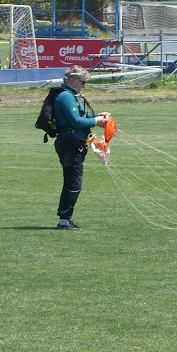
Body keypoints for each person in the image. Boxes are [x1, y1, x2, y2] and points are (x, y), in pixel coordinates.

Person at [53, 65, 110, 230]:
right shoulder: (66, 96)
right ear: (73, 79)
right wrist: (96, 121)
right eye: (83, 82)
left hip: (74, 143)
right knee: (73, 183)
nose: (84, 86)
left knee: (73, 182)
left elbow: (81, 116)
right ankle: (64, 220)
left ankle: (65, 218)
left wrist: (98, 116)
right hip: (70, 144)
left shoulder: (71, 95)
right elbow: (75, 121)